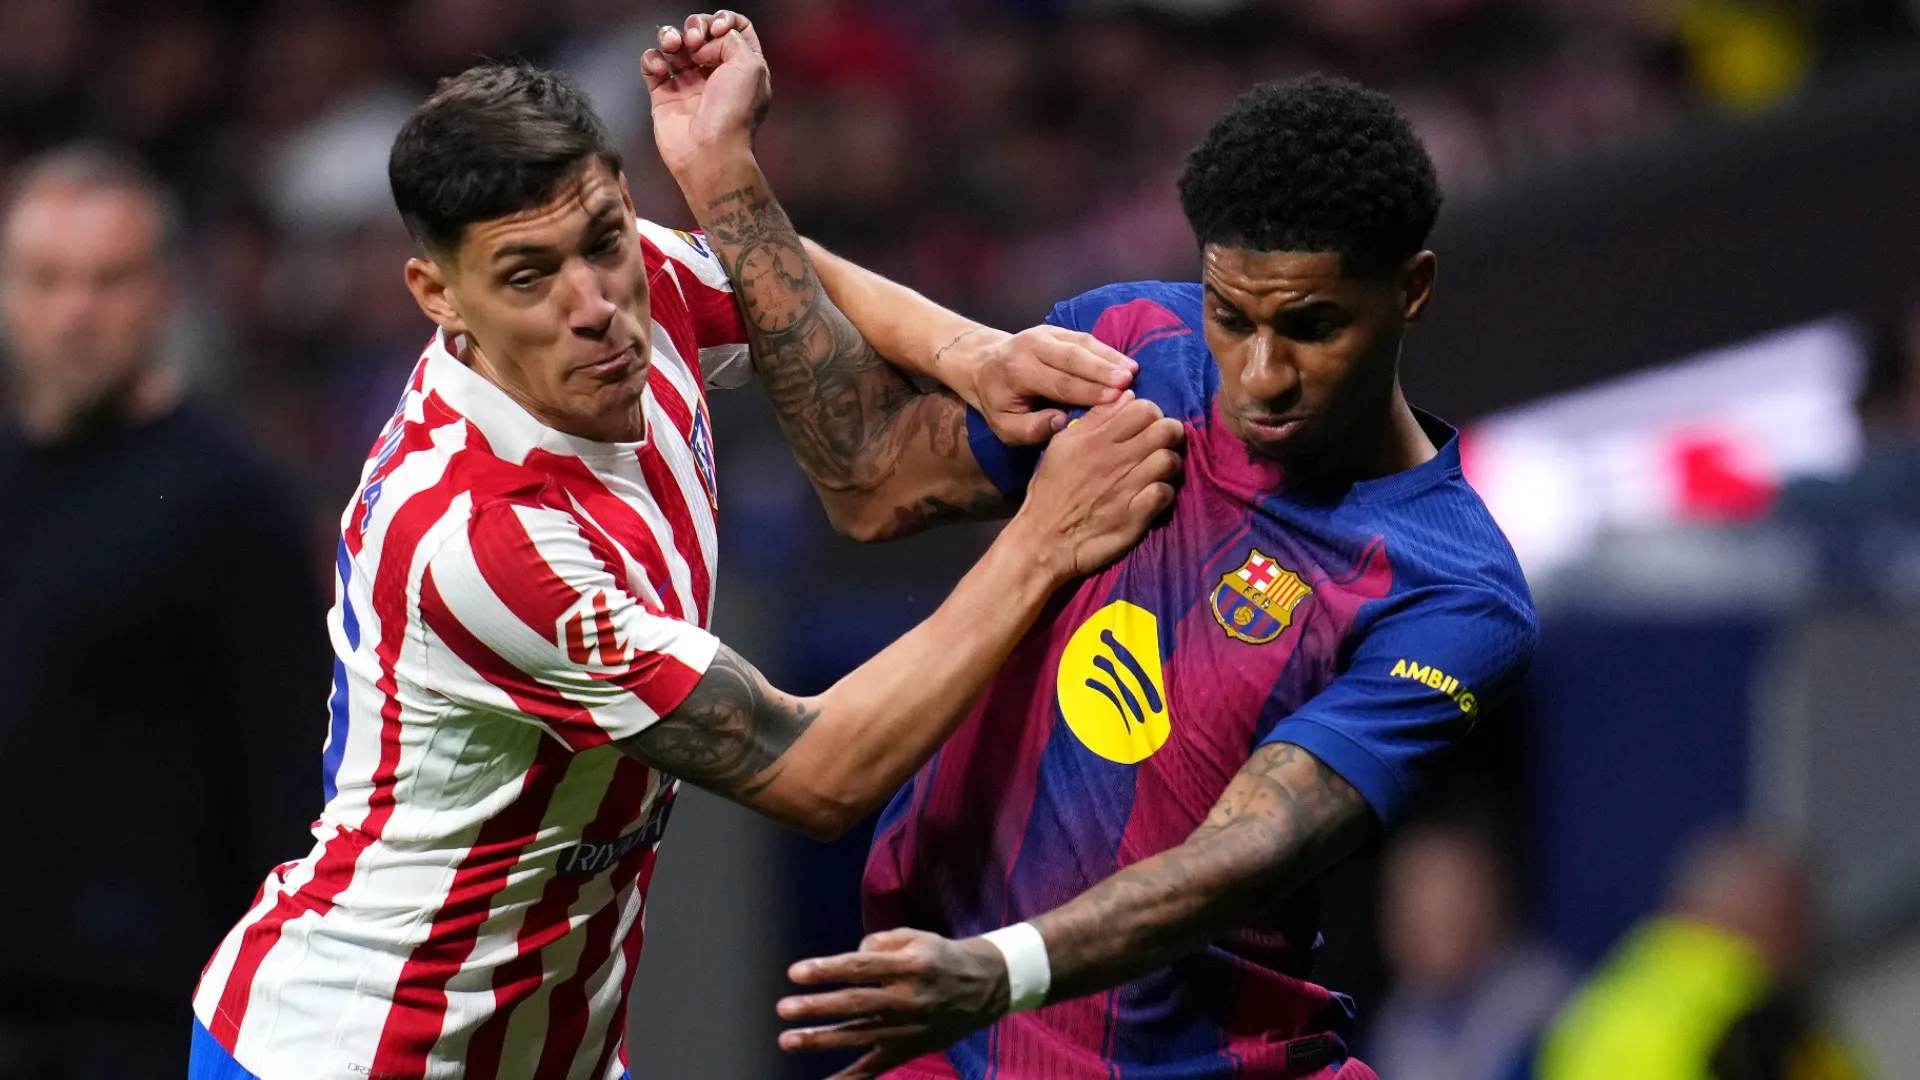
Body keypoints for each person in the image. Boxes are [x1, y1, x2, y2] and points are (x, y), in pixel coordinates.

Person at [186, 46, 1184, 1080]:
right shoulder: (480, 538)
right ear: (437, 293)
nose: (592, 304)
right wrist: (1044, 539)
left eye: (603, 241)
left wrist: (972, 353)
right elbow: (815, 771)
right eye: (527, 277)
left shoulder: (633, 287)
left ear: (624, 203)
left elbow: (771, 270)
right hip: (357, 1051)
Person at [675, 29, 1539, 1079]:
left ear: (1411, 290)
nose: (1262, 375)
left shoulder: (1454, 588)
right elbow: (871, 483)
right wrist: (724, 175)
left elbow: (1249, 847)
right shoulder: (1136, 351)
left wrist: (1006, 968)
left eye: (1312, 327)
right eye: (1232, 317)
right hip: (962, 1037)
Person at [0, 146, 327, 1079]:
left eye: (108, 280)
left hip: (154, 1023)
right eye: (46, 280)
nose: (74, 312)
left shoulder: (234, 502)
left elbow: (290, 788)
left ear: (164, 292)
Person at [1537, 829, 1864, 1080]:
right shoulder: (1756, 1023)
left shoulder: (1591, 1013)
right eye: (1802, 921)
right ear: (1775, 917)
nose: (1813, 942)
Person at [1368, 824, 1574, 1080]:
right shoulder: (1395, 1023)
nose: (1435, 920)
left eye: (1452, 901)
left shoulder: (1544, 1004)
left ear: (1491, 900)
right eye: (1418, 907)